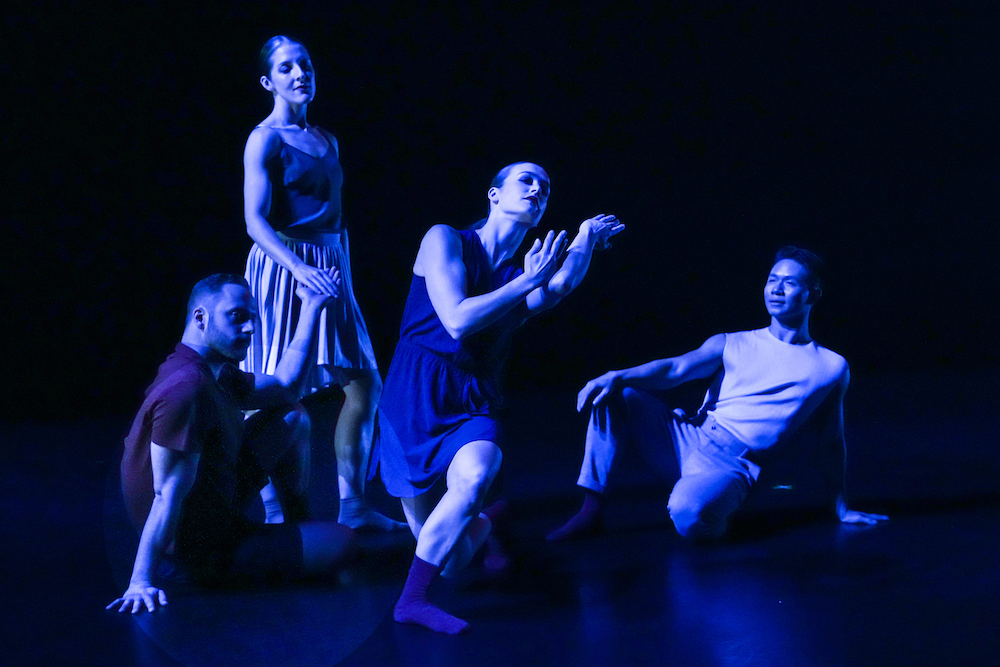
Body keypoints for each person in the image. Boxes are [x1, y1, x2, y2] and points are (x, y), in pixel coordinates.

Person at [377, 162, 624, 633]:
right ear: (493, 195)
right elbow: (457, 320)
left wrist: (586, 238)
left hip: (472, 399)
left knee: (476, 473)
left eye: (546, 188)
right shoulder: (445, 239)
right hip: (410, 398)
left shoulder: (522, 274)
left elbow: (560, 286)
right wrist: (526, 283)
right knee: (452, 558)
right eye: (526, 181)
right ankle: (487, 522)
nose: (538, 189)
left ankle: (411, 600)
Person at [547, 247, 888, 542]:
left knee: (689, 516)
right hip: (685, 438)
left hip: (730, 465)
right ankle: (591, 509)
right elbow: (676, 369)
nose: (776, 289)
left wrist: (842, 507)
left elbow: (831, 440)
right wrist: (618, 375)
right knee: (618, 392)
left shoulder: (830, 366)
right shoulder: (732, 341)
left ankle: (712, 506)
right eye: (772, 279)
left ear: (813, 294)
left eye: (790, 282)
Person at [107, 273, 354, 614]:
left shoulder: (213, 370)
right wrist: (141, 581)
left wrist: (311, 306)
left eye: (253, 319)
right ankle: (281, 544)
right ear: (200, 319)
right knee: (343, 542)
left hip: (211, 499)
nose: (251, 329)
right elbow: (166, 494)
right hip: (196, 548)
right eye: (238, 317)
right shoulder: (187, 389)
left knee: (291, 415)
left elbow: (286, 386)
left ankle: (294, 524)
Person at [241, 35, 399, 531]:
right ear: (269, 81)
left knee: (365, 384)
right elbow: (255, 220)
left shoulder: (328, 138)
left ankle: (352, 505)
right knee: (270, 385)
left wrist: (341, 276)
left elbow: (335, 220)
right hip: (285, 266)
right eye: (286, 67)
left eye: (305, 64)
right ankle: (271, 508)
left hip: (331, 265)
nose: (299, 73)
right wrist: (297, 267)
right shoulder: (264, 138)